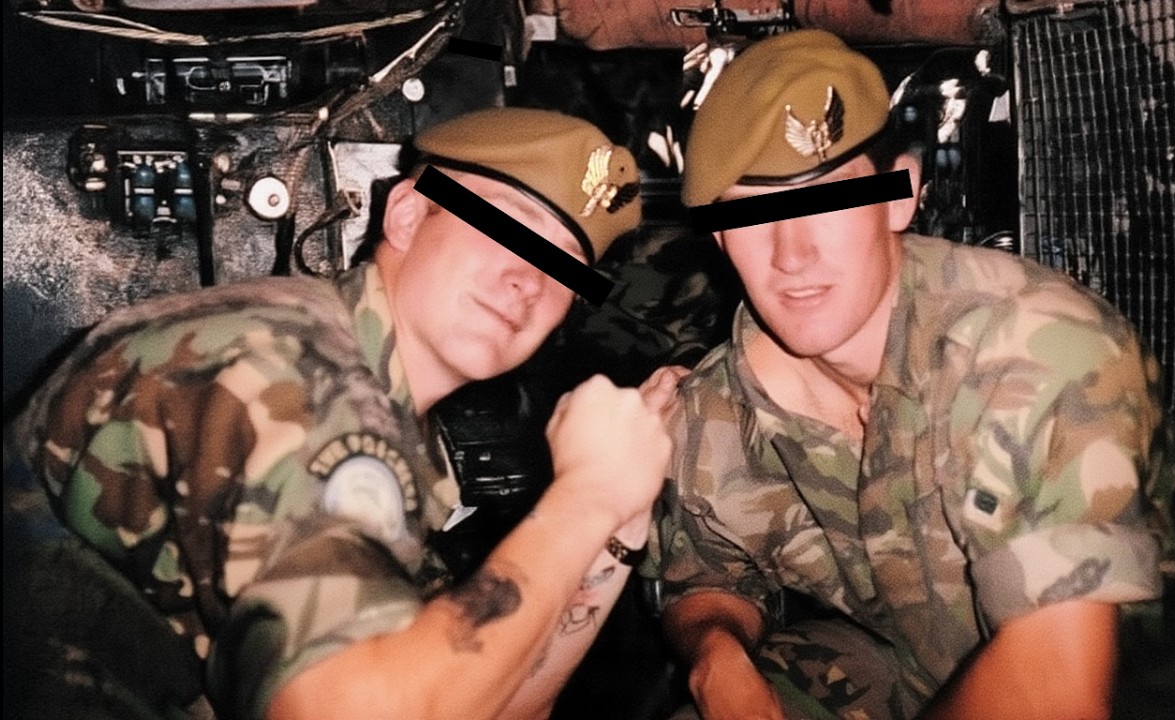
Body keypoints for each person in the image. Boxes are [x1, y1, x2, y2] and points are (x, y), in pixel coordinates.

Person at [7, 107, 677, 720]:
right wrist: (586, 495)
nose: (529, 278)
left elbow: (494, 698)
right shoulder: (283, 371)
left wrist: (618, 522)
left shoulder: (396, 422)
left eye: (566, 267)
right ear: (408, 215)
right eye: (506, 226)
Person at [647, 30, 1175, 720]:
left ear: (901, 196)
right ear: (718, 234)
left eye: (829, 200)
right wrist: (716, 655)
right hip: (917, 666)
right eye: (749, 213)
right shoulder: (721, 405)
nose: (792, 255)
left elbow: (1054, 690)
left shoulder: (1032, 351)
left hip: (1159, 686)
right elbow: (707, 575)